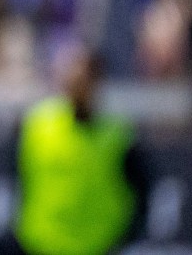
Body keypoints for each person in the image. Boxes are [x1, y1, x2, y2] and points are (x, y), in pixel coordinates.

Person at [14, 50, 144, 255]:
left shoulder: (117, 135)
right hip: (40, 243)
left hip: (97, 245)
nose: (78, 87)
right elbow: (18, 177)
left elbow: (140, 191)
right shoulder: (37, 125)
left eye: (85, 80)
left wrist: (124, 238)